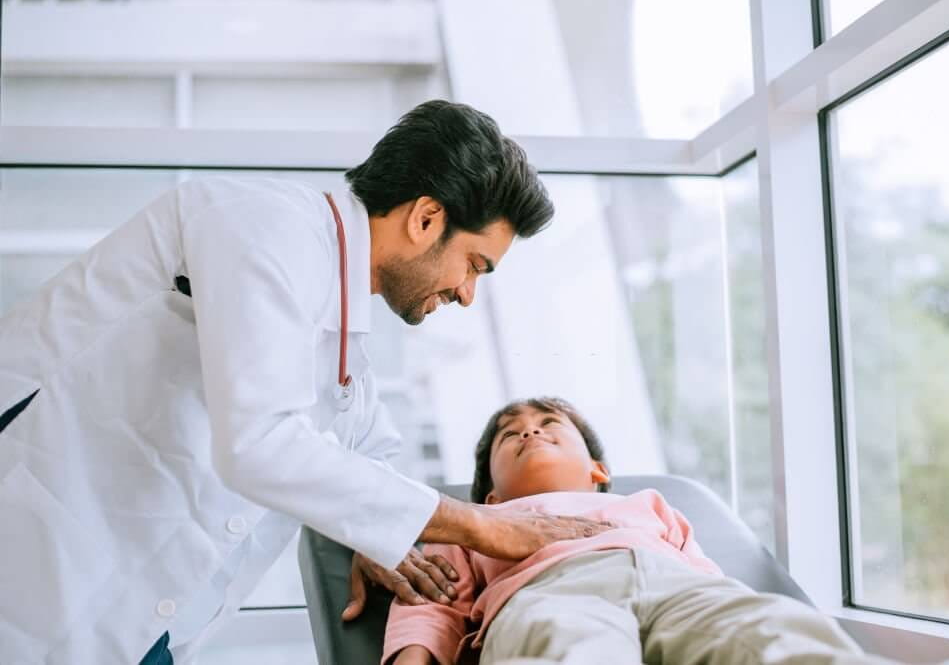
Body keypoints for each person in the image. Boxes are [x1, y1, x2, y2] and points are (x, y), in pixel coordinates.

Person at [0, 101, 612, 665]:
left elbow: (368, 453)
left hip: (136, 625)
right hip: (38, 554)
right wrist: (481, 525)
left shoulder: (344, 334)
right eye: (474, 265)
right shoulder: (265, 228)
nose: (466, 292)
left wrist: (380, 534)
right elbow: (259, 444)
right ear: (427, 218)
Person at [383, 397, 949, 665]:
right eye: (510, 433)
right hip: (545, 594)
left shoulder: (650, 506)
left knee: (766, 630)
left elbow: (709, 584)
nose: (530, 430)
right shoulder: (469, 524)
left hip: (672, 587)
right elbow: (428, 607)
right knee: (566, 646)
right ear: (490, 492)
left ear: (600, 472)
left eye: (552, 423)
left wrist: (726, 607)